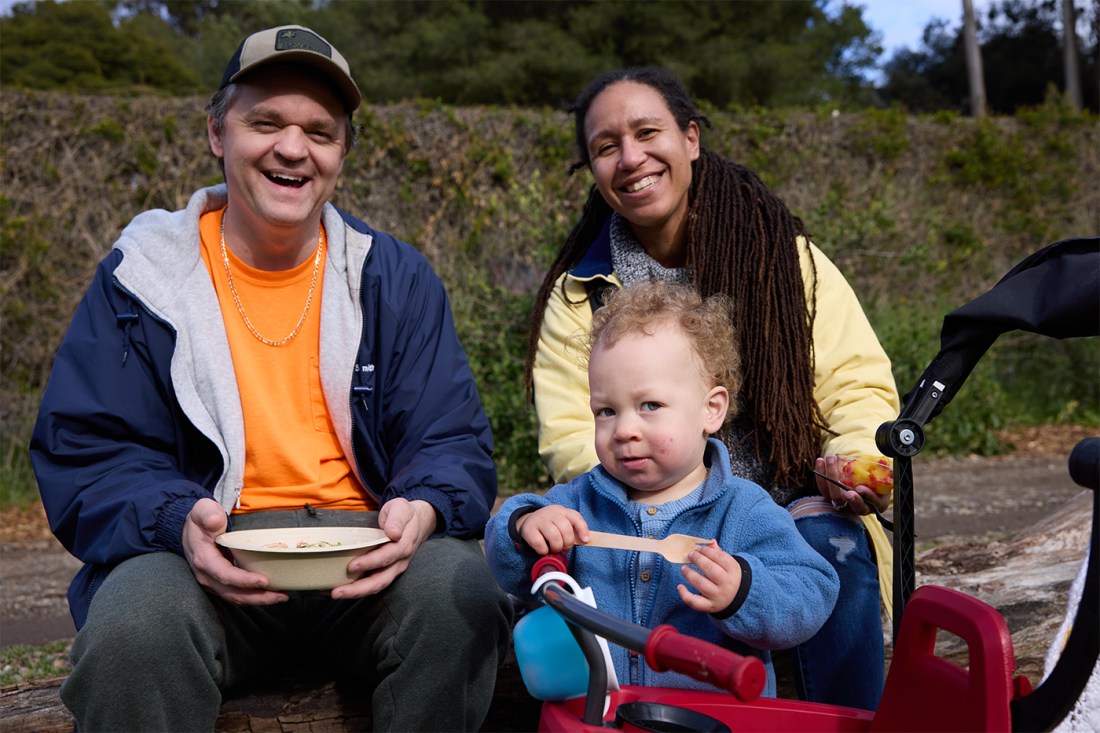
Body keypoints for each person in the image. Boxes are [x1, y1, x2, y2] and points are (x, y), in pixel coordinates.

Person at [29, 25, 511, 732]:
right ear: (218, 133)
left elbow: (452, 439)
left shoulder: (393, 278)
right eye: (266, 121)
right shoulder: (142, 279)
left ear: (342, 153)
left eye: (320, 131)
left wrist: (427, 507)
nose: (293, 147)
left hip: (364, 555)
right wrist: (175, 519)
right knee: (134, 629)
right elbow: (88, 449)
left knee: (461, 592)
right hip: (206, 558)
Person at [524, 67, 900, 710]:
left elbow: (855, 383)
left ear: (691, 138)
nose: (631, 158)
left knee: (829, 545)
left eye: (648, 133)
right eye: (606, 146)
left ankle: (840, 723)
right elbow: (569, 433)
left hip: (787, 499)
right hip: (649, 508)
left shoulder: (785, 259)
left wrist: (856, 457)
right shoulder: (578, 294)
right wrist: (652, 504)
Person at [487, 281, 839, 697]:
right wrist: (526, 523)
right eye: (606, 410)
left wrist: (744, 590)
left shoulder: (741, 510)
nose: (625, 430)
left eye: (650, 405)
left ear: (711, 409)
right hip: (602, 716)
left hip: (713, 720)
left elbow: (812, 591)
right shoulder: (578, 502)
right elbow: (506, 563)